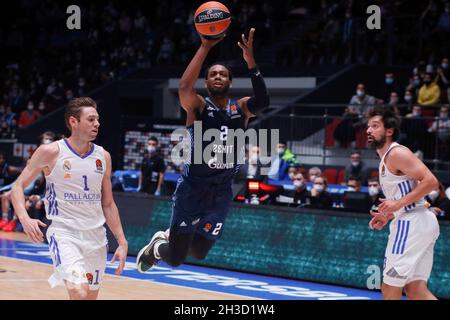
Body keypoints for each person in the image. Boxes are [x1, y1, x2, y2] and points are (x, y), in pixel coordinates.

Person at [136, 28, 270, 272]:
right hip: (193, 190)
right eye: (213, 74)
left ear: (230, 81)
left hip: (221, 192)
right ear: (206, 82)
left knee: (198, 252)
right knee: (176, 259)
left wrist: (251, 63)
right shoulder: (197, 106)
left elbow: (263, 101)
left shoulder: (240, 109)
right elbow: (185, 87)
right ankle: (157, 246)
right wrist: (205, 47)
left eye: (223, 74)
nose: (218, 76)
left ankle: (171, 238)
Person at [10, 97, 128, 300]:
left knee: (88, 298)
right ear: (74, 121)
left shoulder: (103, 156)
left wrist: (122, 241)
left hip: (96, 237)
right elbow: (17, 186)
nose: (97, 123)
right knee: (79, 293)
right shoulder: (51, 152)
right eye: (91, 119)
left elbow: (107, 203)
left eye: (97, 119)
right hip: (65, 234)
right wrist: (24, 218)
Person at [367, 106, 440, 300]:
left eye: (375, 126)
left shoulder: (396, 153)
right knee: (415, 289)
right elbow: (407, 195)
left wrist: (397, 205)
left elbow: (431, 182)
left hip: (411, 223)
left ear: (389, 131)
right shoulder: (385, 158)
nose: (369, 130)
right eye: (368, 127)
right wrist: (388, 214)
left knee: (389, 287)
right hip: (419, 220)